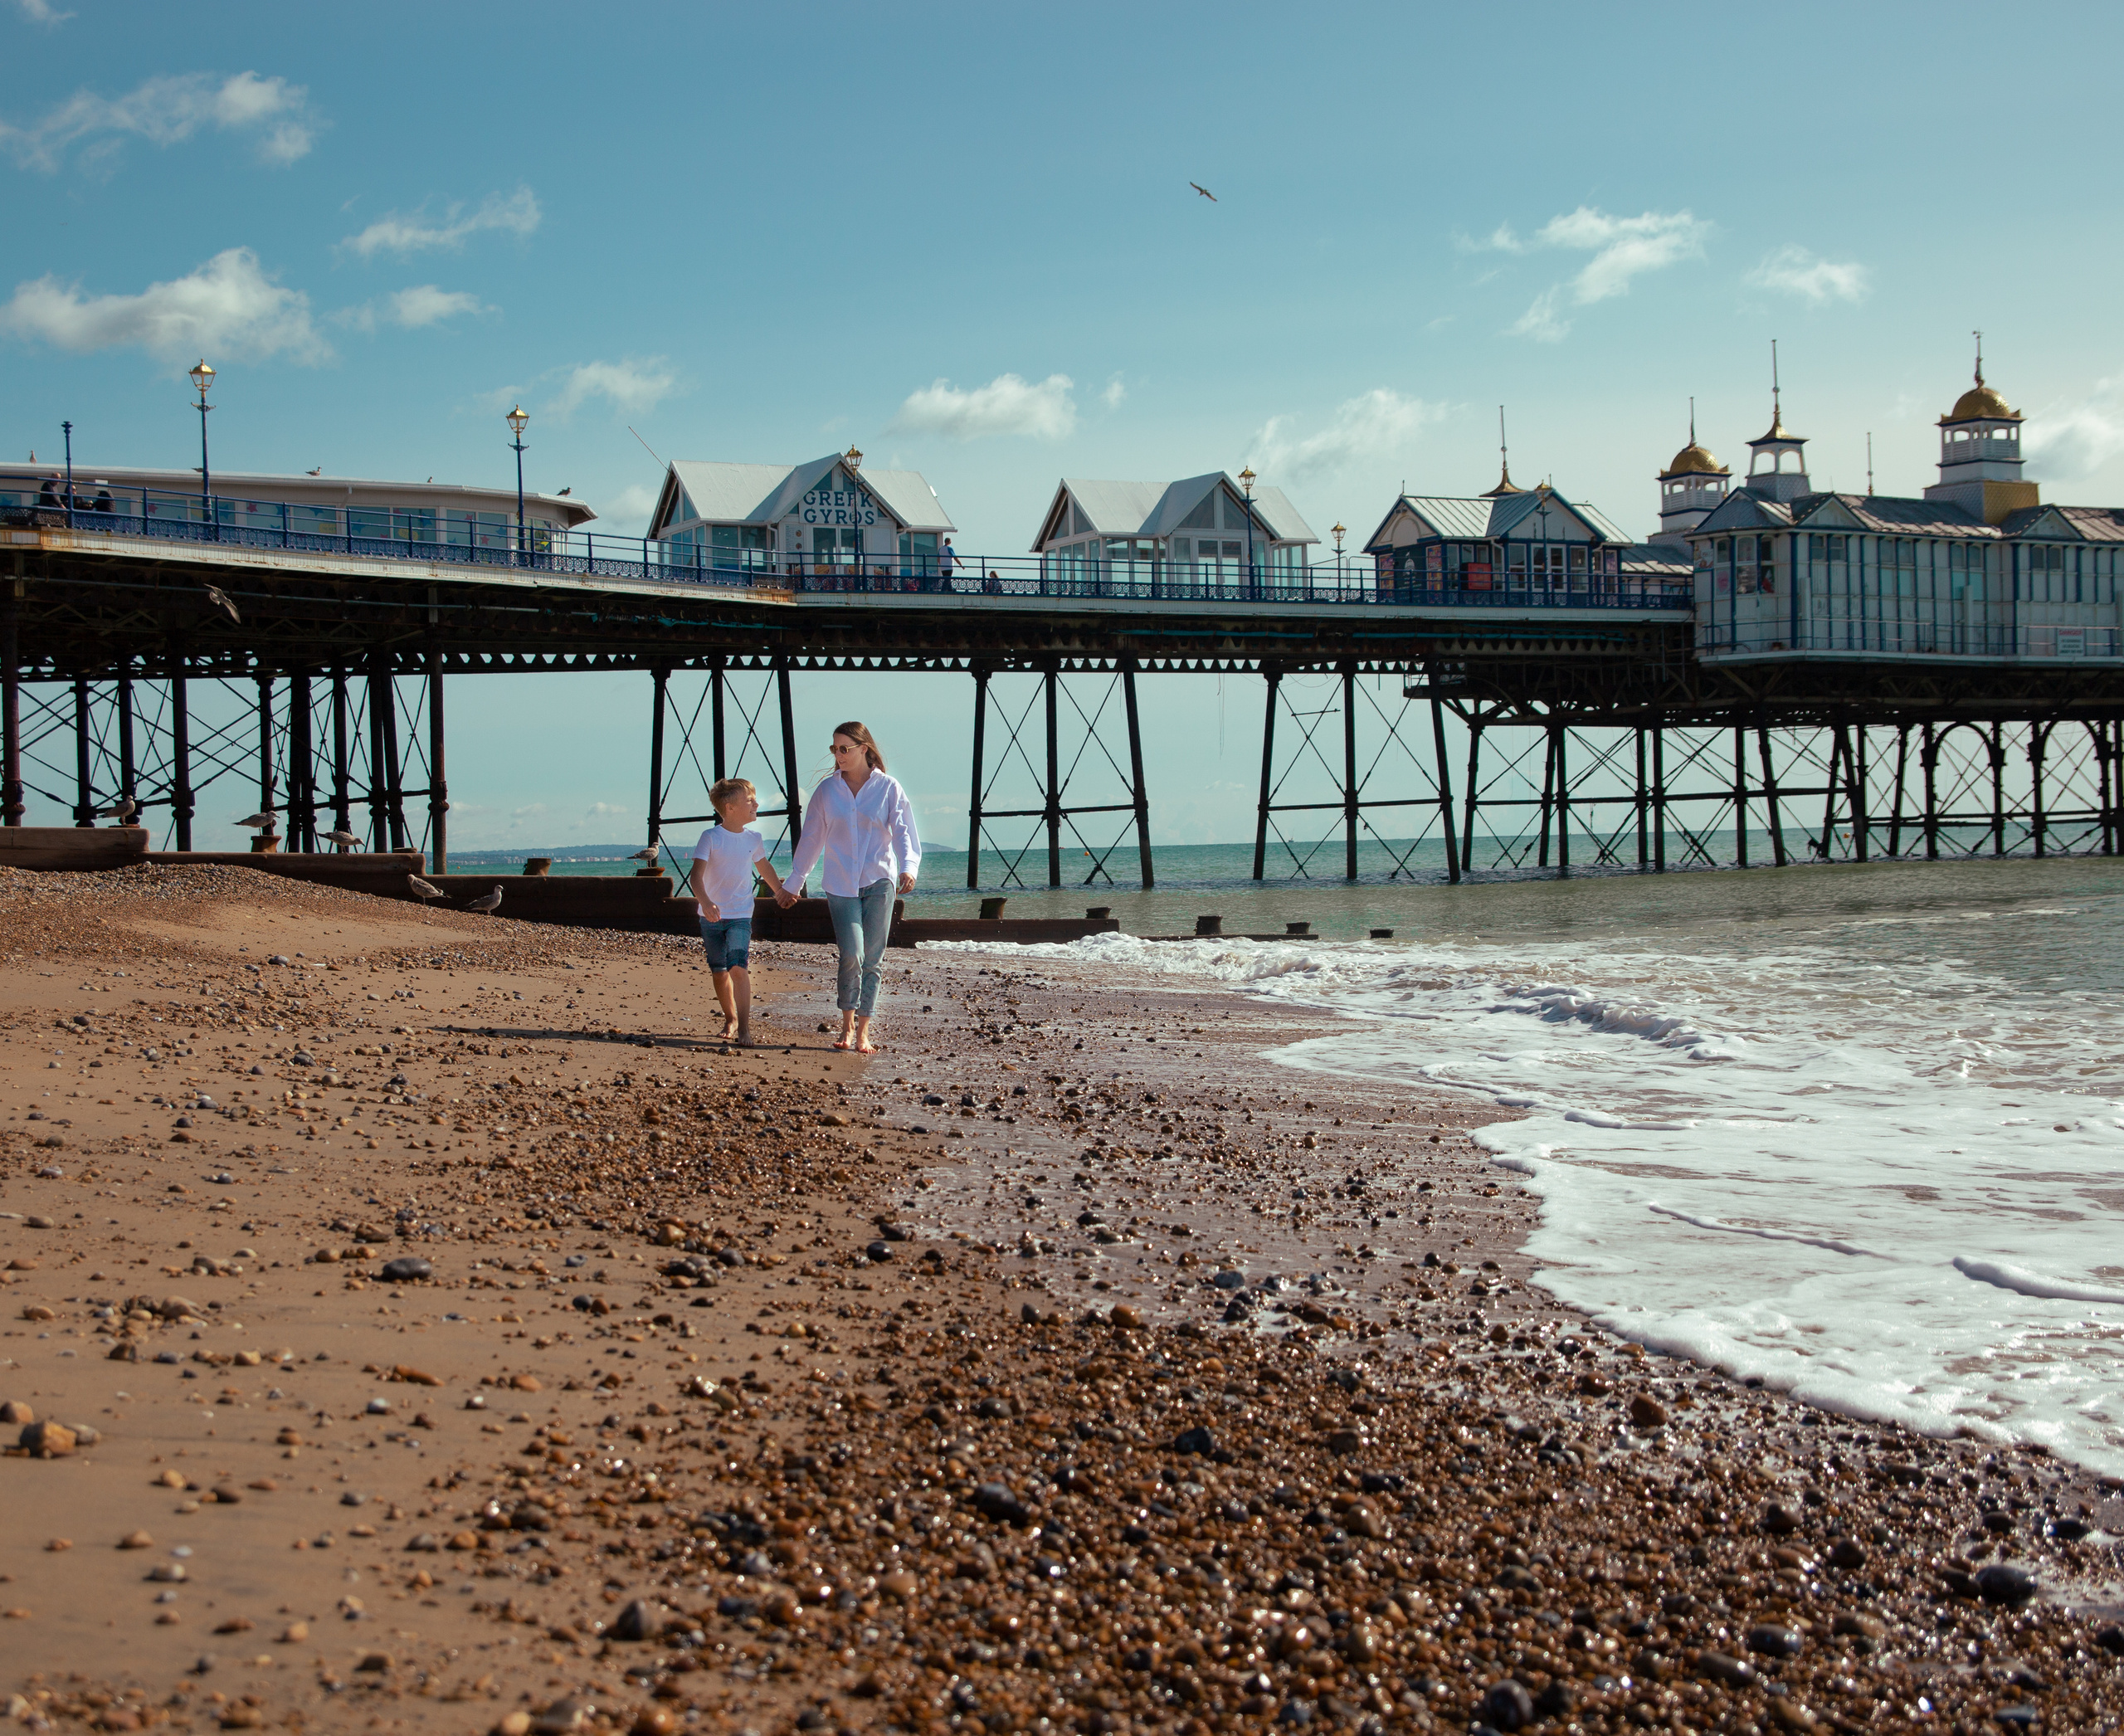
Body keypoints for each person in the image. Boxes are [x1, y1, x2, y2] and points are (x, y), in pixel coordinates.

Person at [784, 721, 919, 1053]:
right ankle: (845, 1026)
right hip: (840, 883)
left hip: (880, 881)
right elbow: (812, 839)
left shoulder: (888, 788)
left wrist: (909, 867)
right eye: (835, 749)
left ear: (864, 749)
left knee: (873, 959)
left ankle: (863, 1033)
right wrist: (794, 882)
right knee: (852, 954)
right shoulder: (827, 792)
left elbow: (904, 831)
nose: (838, 755)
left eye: (844, 748)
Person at [689, 777, 792, 1046]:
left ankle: (744, 1028)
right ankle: (730, 1018)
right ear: (729, 807)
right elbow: (696, 877)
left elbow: (764, 868)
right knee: (719, 971)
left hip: (740, 916)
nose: (756, 804)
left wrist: (780, 891)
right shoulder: (710, 837)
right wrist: (706, 901)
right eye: (750, 800)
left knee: (738, 967)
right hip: (710, 916)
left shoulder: (754, 838)